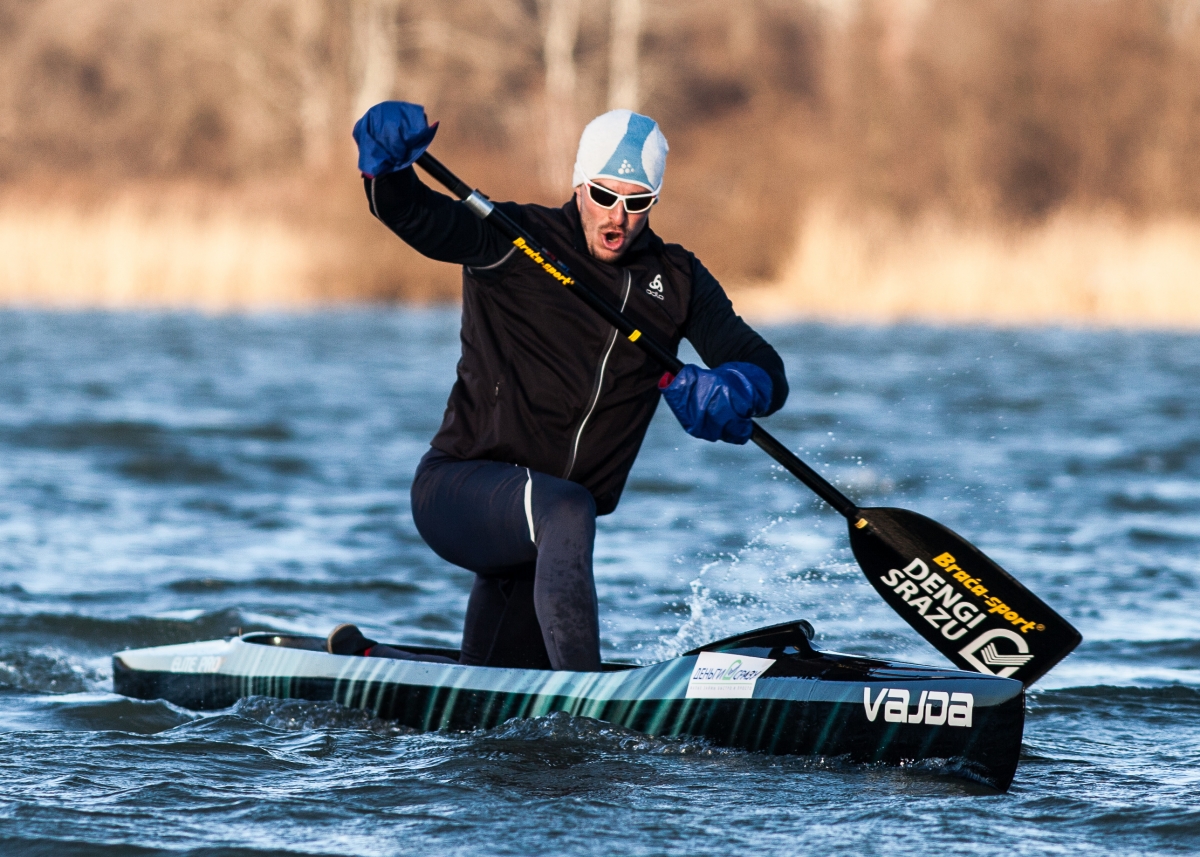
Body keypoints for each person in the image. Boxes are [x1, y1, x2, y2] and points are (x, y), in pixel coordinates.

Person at [326, 103, 788, 672]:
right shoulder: (513, 239)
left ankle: (368, 659)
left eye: (636, 201)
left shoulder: (678, 279)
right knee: (569, 508)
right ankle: (589, 707)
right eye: (602, 194)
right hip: (460, 490)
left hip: (542, 540)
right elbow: (415, 215)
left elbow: (763, 366)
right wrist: (386, 172)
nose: (617, 216)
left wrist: (738, 387)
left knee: (496, 687)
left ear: (653, 204)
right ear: (578, 184)